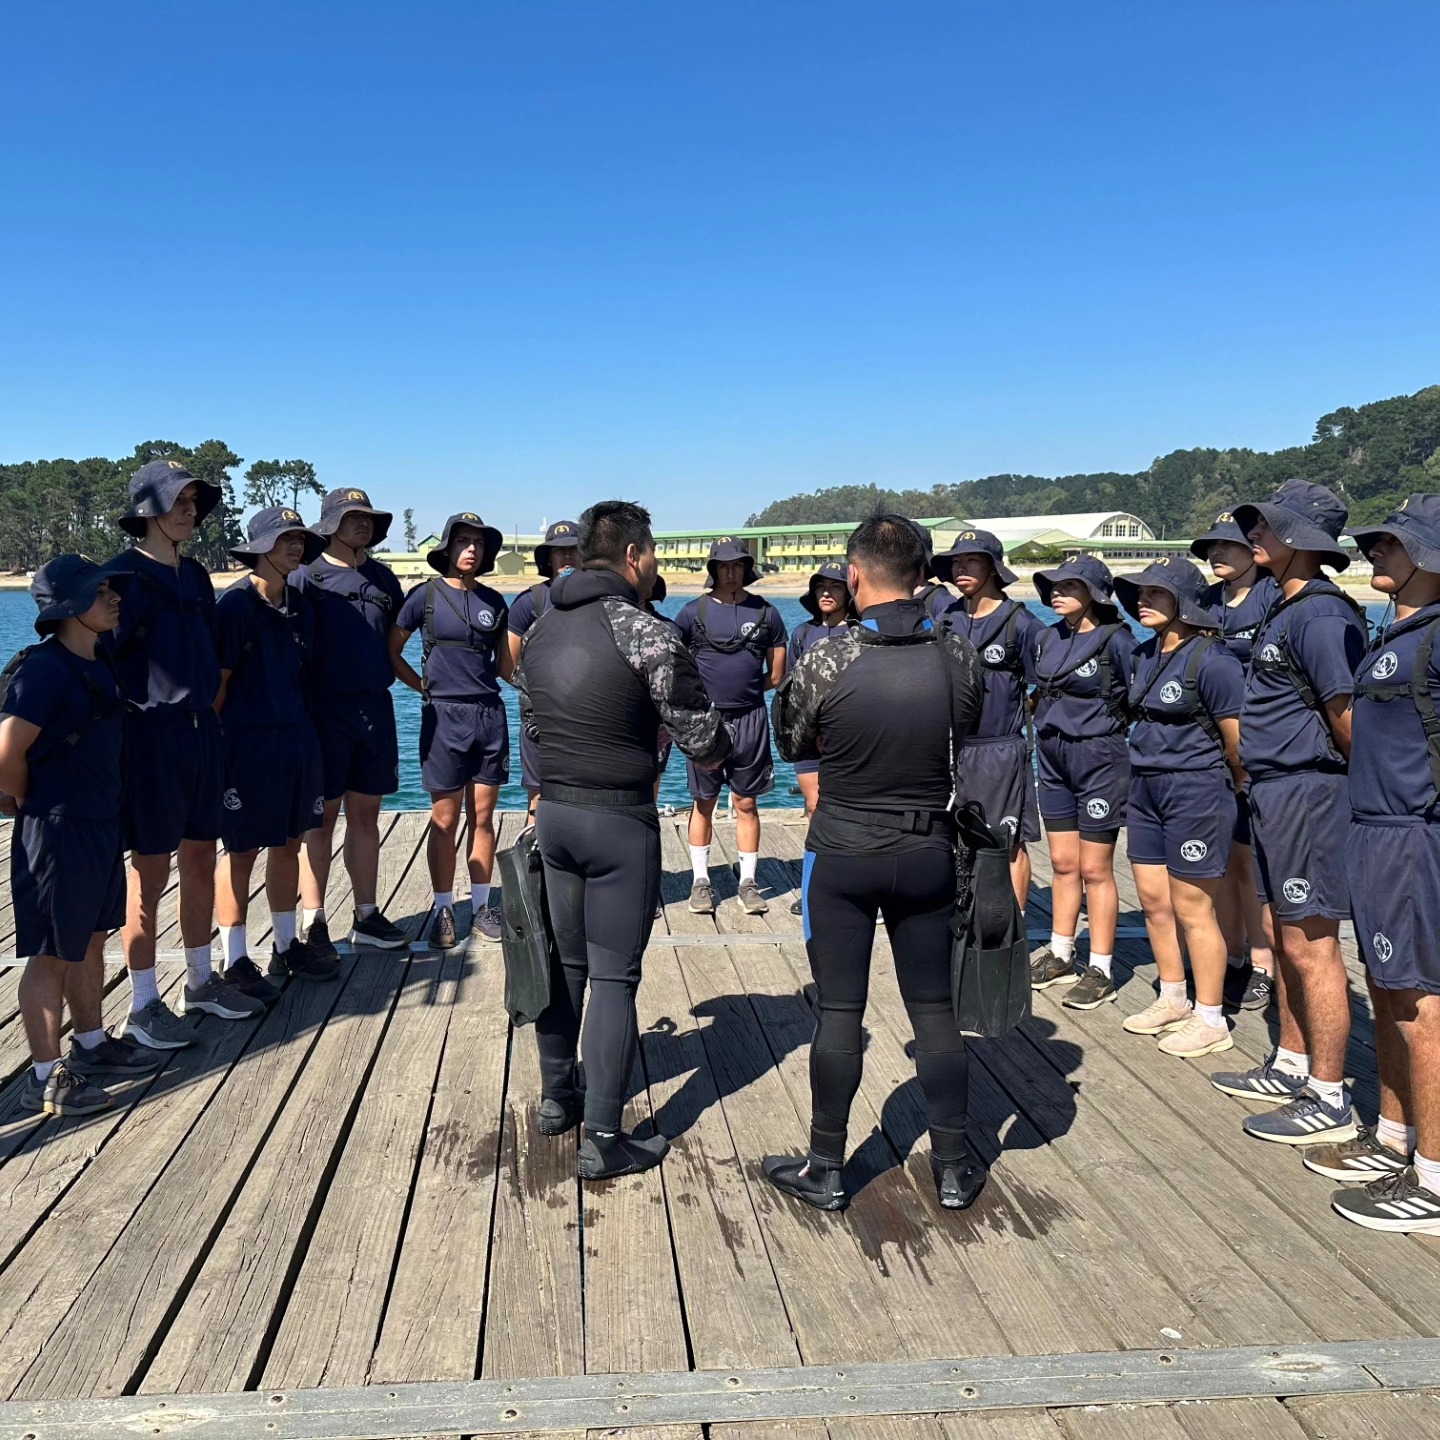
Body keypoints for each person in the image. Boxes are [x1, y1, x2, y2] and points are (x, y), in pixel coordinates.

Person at [763, 514, 985, 1212]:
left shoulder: (827, 657)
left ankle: (827, 1167)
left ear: (854, 575)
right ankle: (953, 1166)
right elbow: (970, 727)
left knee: (838, 1010)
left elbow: (790, 739)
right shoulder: (959, 655)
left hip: (845, 850)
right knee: (935, 1010)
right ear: (922, 576)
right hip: (927, 850)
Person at [515, 500, 730, 1181]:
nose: (655, 563)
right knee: (613, 975)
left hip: (554, 815)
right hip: (618, 822)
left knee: (562, 962)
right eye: (654, 553)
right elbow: (703, 738)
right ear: (634, 556)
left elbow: (532, 718)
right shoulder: (646, 631)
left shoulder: (539, 627)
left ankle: (558, 1098)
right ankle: (605, 1139)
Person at [1209, 480, 1367, 1145]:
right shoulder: (1286, 606)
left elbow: (1348, 719)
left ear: (1302, 538)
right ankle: (1292, 1062)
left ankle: (1327, 1097)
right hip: (1273, 792)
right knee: (1283, 937)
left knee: (1311, 943)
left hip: (1308, 792)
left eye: (1268, 526)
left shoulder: (1322, 615)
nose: (1253, 534)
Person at [0, 557, 163, 1114]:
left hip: (99, 824)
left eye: (113, 589)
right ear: (69, 606)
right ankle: (44, 1078)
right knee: (50, 954)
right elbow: (6, 754)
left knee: (91, 938)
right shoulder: (44, 670)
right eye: (100, 591)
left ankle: (91, 1044)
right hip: (56, 830)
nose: (115, 598)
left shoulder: (98, 658)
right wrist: (33, 802)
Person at [1317, 496, 1440, 1232]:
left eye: (1392, 543)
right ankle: (1396, 1136)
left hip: (1414, 837)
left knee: (1422, 1005)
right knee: (1390, 990)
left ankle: (1435, 1177)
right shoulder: (1398, 632)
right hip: (1373, 832)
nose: (1375, 553)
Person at [103, 460, 256, 1047]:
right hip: (150, 740)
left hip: (202, 735)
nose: (191, 511)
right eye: (179, 502)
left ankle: (199, 981)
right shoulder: (120, 578)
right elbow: (102, 661)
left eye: (195, 502)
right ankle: (144, 1004)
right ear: (149, 510)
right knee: (148, 871)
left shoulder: (194, 575)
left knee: (199, 858)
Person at [1114, 559, 1245, 1058]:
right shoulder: (1144, 654)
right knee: (1153, 899)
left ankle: (1211, 1018)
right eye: (1140, 592)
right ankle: (1172, 997)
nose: (1142, 600)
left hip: (1196, 790)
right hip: (1145, 787)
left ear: (1185, 603)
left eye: (1156, 593)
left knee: (1193, 906)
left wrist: (1233, 785)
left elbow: (1237, 741)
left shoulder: (1214, 661)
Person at [213, 507, 333, 994]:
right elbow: (218, 687)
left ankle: (285, 945)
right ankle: (235, 959)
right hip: (246, 744)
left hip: (296, 740)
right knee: (240, 850)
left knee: (289, 844)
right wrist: (217, 751)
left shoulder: (301, 605)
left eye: (300, 539)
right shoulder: (234, 607)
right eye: (286, 539)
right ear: (260, 546)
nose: (296, 546)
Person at [391, 512, 513, 949]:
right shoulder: (423, 597)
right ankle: (444, 908)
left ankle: (480, 907)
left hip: (489, 716)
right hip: (442, 717)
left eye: (478, 543)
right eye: (463, 541)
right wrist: (422, 686)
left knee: (483, 818)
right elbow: (392, 652)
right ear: (447, 548)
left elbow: (506, 665)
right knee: (444, 820)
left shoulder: (495, 602)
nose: (471, 549)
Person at [296, 487, 408, 956]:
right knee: (320, 818)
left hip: (375, 709)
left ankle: (366, 915)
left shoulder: (383, 578)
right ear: (330, 525)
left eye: (368, 517)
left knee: (366, 815)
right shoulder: (307, 576)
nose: (364, 523)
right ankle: (314, 921)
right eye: (352, 517)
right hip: (324, 710)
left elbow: (400, 638)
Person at [1026, 555, 1137, 1009]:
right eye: (1053, 585)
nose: (1056, 592)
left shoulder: (1118, 640)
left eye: (1069, 585)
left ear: (1094, 593)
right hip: (1052, 756)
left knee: (1095, 869)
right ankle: (1060, 952)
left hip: (1099, 759)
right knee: (1062, 863)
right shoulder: (1047, 637)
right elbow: (1036, 693)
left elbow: (1138, 697)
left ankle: (1102, 968)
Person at [1192, 509, 1281, 1011]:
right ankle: (1232, 954)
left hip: (1259, 747)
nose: (1217, 554)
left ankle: (1264, 963)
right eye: (1211, 547)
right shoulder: (1206, 602)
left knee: (1251, 863)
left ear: (1254, 550)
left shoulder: (1273, 598)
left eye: (1228, 545)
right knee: (1224, 859)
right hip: (1210, 752)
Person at [677, 538, 787, 916]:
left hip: (751, 718)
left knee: (746, 802)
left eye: (737, 565)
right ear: (713, 570)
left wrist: (746, 694)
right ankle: (700, 881)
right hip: (706, 722)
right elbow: (675, 666)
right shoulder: (691, 613)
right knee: (703, 802)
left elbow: (777, 674)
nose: (730, 572)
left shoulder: (767, 613)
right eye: (723, 565)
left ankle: (748, 882)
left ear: (746, 569)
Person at [935, 530, 1042, 913]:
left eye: (971, 561)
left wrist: (1017, 710)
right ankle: (964, 922)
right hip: (952, 749)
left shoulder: (1021, 623)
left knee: (1007, 842)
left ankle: (1013, 928)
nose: (960, 568)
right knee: (953, 841)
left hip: (1000, 749)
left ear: (993, 568)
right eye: (955, 562)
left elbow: (1045, 685)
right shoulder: (945, 618)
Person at [785, 561, 855, 912]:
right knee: (814, 807)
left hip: (851, 737)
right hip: (810, 739)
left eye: (836, 586)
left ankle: (853, 886)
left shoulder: (859, 632)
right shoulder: (802, 634)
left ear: (849, 592)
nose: (827, 593)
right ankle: (814, 886)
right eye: (821, 586)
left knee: (850, 810)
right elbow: (791, 689)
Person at [506, 520, 582, 818]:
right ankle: (536, 847)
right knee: (538, 798)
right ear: (548, 559)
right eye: (559, 551)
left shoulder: (599, 599)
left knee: (585, 797)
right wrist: (537, 693)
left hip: (588, 716)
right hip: (540, 719)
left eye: (574, 549)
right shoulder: (529, 602)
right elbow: (507, 664)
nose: (567, 556)